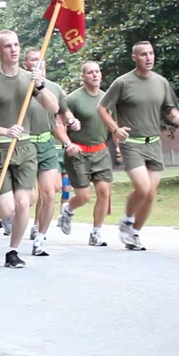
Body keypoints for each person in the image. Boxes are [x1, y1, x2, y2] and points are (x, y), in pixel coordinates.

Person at [0, 29, 59, 268]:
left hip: (25, 148)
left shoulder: (28, 79)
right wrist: (4, 131)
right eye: (8, 46)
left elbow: (53, 108)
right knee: (8, 207)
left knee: (23, 203)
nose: (14, 49)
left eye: (16, 45)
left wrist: (40, 85)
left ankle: (12, 251)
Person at [97, 41, 179, 251]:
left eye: (151, 53)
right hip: (131, 143)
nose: (149, 58)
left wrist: (177, 117)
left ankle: (135, 233)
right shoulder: (122, 83)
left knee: (151, 194)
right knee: (143, 188)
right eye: (143, 54)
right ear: (134, 57)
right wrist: (115, 129)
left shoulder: (161, 82)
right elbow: (101, 108)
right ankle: (127, 219)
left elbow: (169, 108)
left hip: (153, 143)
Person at [22, 48, 75, 256]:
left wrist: (71, 120)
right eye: (34, 60)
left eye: (41, 60)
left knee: (50, 193)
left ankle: (41, 237)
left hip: (46, 144)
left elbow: (63, 110)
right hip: (24, 144)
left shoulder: (53, 87)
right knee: (31, 196)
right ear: (26, 64)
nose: (38, 64)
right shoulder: (19, 85)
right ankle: (14, 216)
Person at [58, 61, 114, 247]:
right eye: (90, 72)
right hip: (78, 153)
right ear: (83, 76)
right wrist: (68, 143)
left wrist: (119, 145)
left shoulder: (107, 99)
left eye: (97, 71)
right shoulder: (73, 99)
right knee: (84, 196)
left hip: (100, 151)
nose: (94, 75)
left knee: (104, 192)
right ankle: (68, 209)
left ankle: (96, 233)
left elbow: (112, 125)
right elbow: (60, 124)